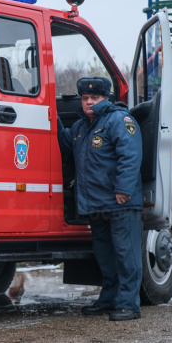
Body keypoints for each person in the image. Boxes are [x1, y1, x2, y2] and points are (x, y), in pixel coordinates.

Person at [57, 77, 143, 321]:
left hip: (120, 201)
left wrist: (124, 189)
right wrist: (51, 117)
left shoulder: (119, 120)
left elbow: (130, 155)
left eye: (94, 98)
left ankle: (129, 305)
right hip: (96, 203)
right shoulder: (81, 128)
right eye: (85, 98)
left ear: (106, 98)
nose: (88, 102)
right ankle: (109, 300)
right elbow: (64, 144)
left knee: (126, 254)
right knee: (105, 255)